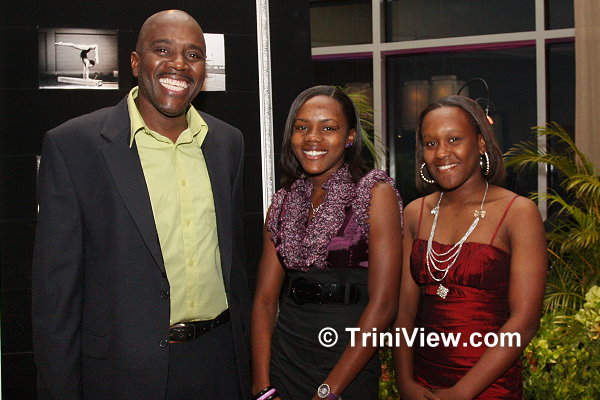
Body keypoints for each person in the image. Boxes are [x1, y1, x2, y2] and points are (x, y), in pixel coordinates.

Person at [32, 10, 250, 400]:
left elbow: (233, 264)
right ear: (135, 63)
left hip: (219, 362)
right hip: (124, 372)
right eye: (163, 50)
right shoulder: (74, 145)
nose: (179, 64)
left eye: (193, 55)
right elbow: (55, 296)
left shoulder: (226, 143)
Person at [251, 85, 403, 400]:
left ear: (350, 137)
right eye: (302, 127)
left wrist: (327, 392)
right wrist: (263, 387)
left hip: (347, 369)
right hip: (285, 365)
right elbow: (265, 301)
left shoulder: (375, 194)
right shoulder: (283, 201)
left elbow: (384, 304)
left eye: (328, 128)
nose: (313, 138)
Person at [393, 95, 547, 399]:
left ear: (480, 143)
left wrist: (462, 393)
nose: (441, 153)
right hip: (423, 384)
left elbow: (525, 321)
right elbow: (404, 312)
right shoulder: (415, 213)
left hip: (489, 387)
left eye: (454, 139)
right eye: (431, 143)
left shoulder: (518, 212)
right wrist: (404, 382)